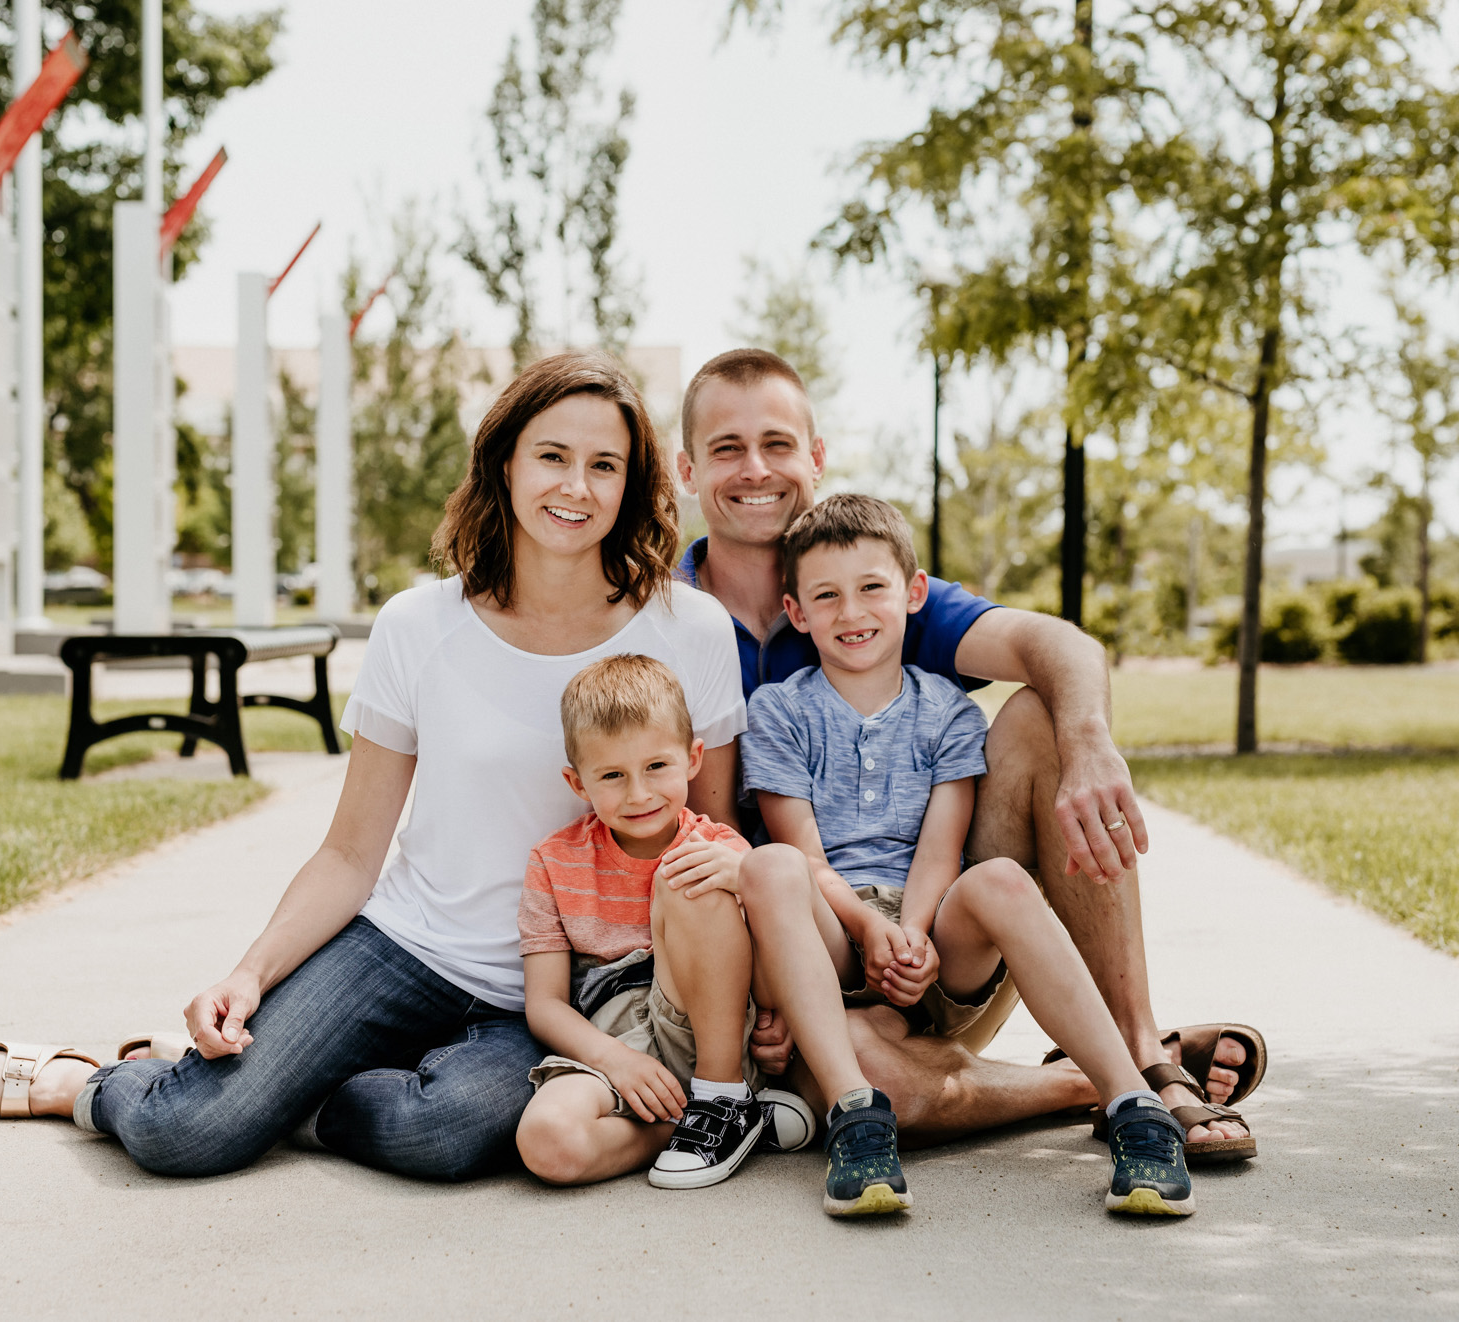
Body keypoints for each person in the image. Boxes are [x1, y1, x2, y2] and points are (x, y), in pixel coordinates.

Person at [0, 352, 750, 1182]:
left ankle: (293, 1100)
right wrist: (248, 972)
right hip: (407, 946)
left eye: (606, 464)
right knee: (187, 1132)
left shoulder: (690, 629)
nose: (577, 486)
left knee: (448, 1133)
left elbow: (713, 843)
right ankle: (82, 1081)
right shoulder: (419, 626)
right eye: (552, 456)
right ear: (504, 463)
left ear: (635, 482)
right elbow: (350, 852)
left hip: (567, 992)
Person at [676, 349, 1263, 1164]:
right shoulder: (663, 614)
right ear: (687, 468)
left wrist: (1090, 742)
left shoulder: (871, 582)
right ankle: (1097, 1077)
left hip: (945, 942)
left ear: (815, 457)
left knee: (1040, 714)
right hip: (805, 959)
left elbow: (1054, 643)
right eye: (727, 448)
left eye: (777, 443)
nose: (755, 469)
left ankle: (1140, 1045)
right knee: (878, 1082)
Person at [743, 495, 1195, 1215]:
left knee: (1000, 881)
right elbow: (805, 855)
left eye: (872, 589)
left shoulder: (948, 711)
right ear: (797, 612)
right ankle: (856, 1115)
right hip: (830, 936)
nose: (850, 611)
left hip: (932, 935)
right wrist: (868, 930)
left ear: (913, 594)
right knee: (769, 866)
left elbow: (939, 848)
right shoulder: (777, 711)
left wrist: (915, 931)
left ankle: (1134, 1101)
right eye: (825, 596)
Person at [515, 654, 912, 1215]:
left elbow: (775, 960)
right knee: (546, 1142)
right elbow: (545, 1004)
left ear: (693, 758)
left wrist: (744, 888)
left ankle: (723, 1099)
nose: (638, 794)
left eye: (657, 766)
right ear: (577, 781)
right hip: (616, 1042)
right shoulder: (552, 861)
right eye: (611, 775)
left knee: (689, 876)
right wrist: (616, 1062)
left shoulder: (721, 848)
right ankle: (718, 1124)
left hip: (713, 1033)